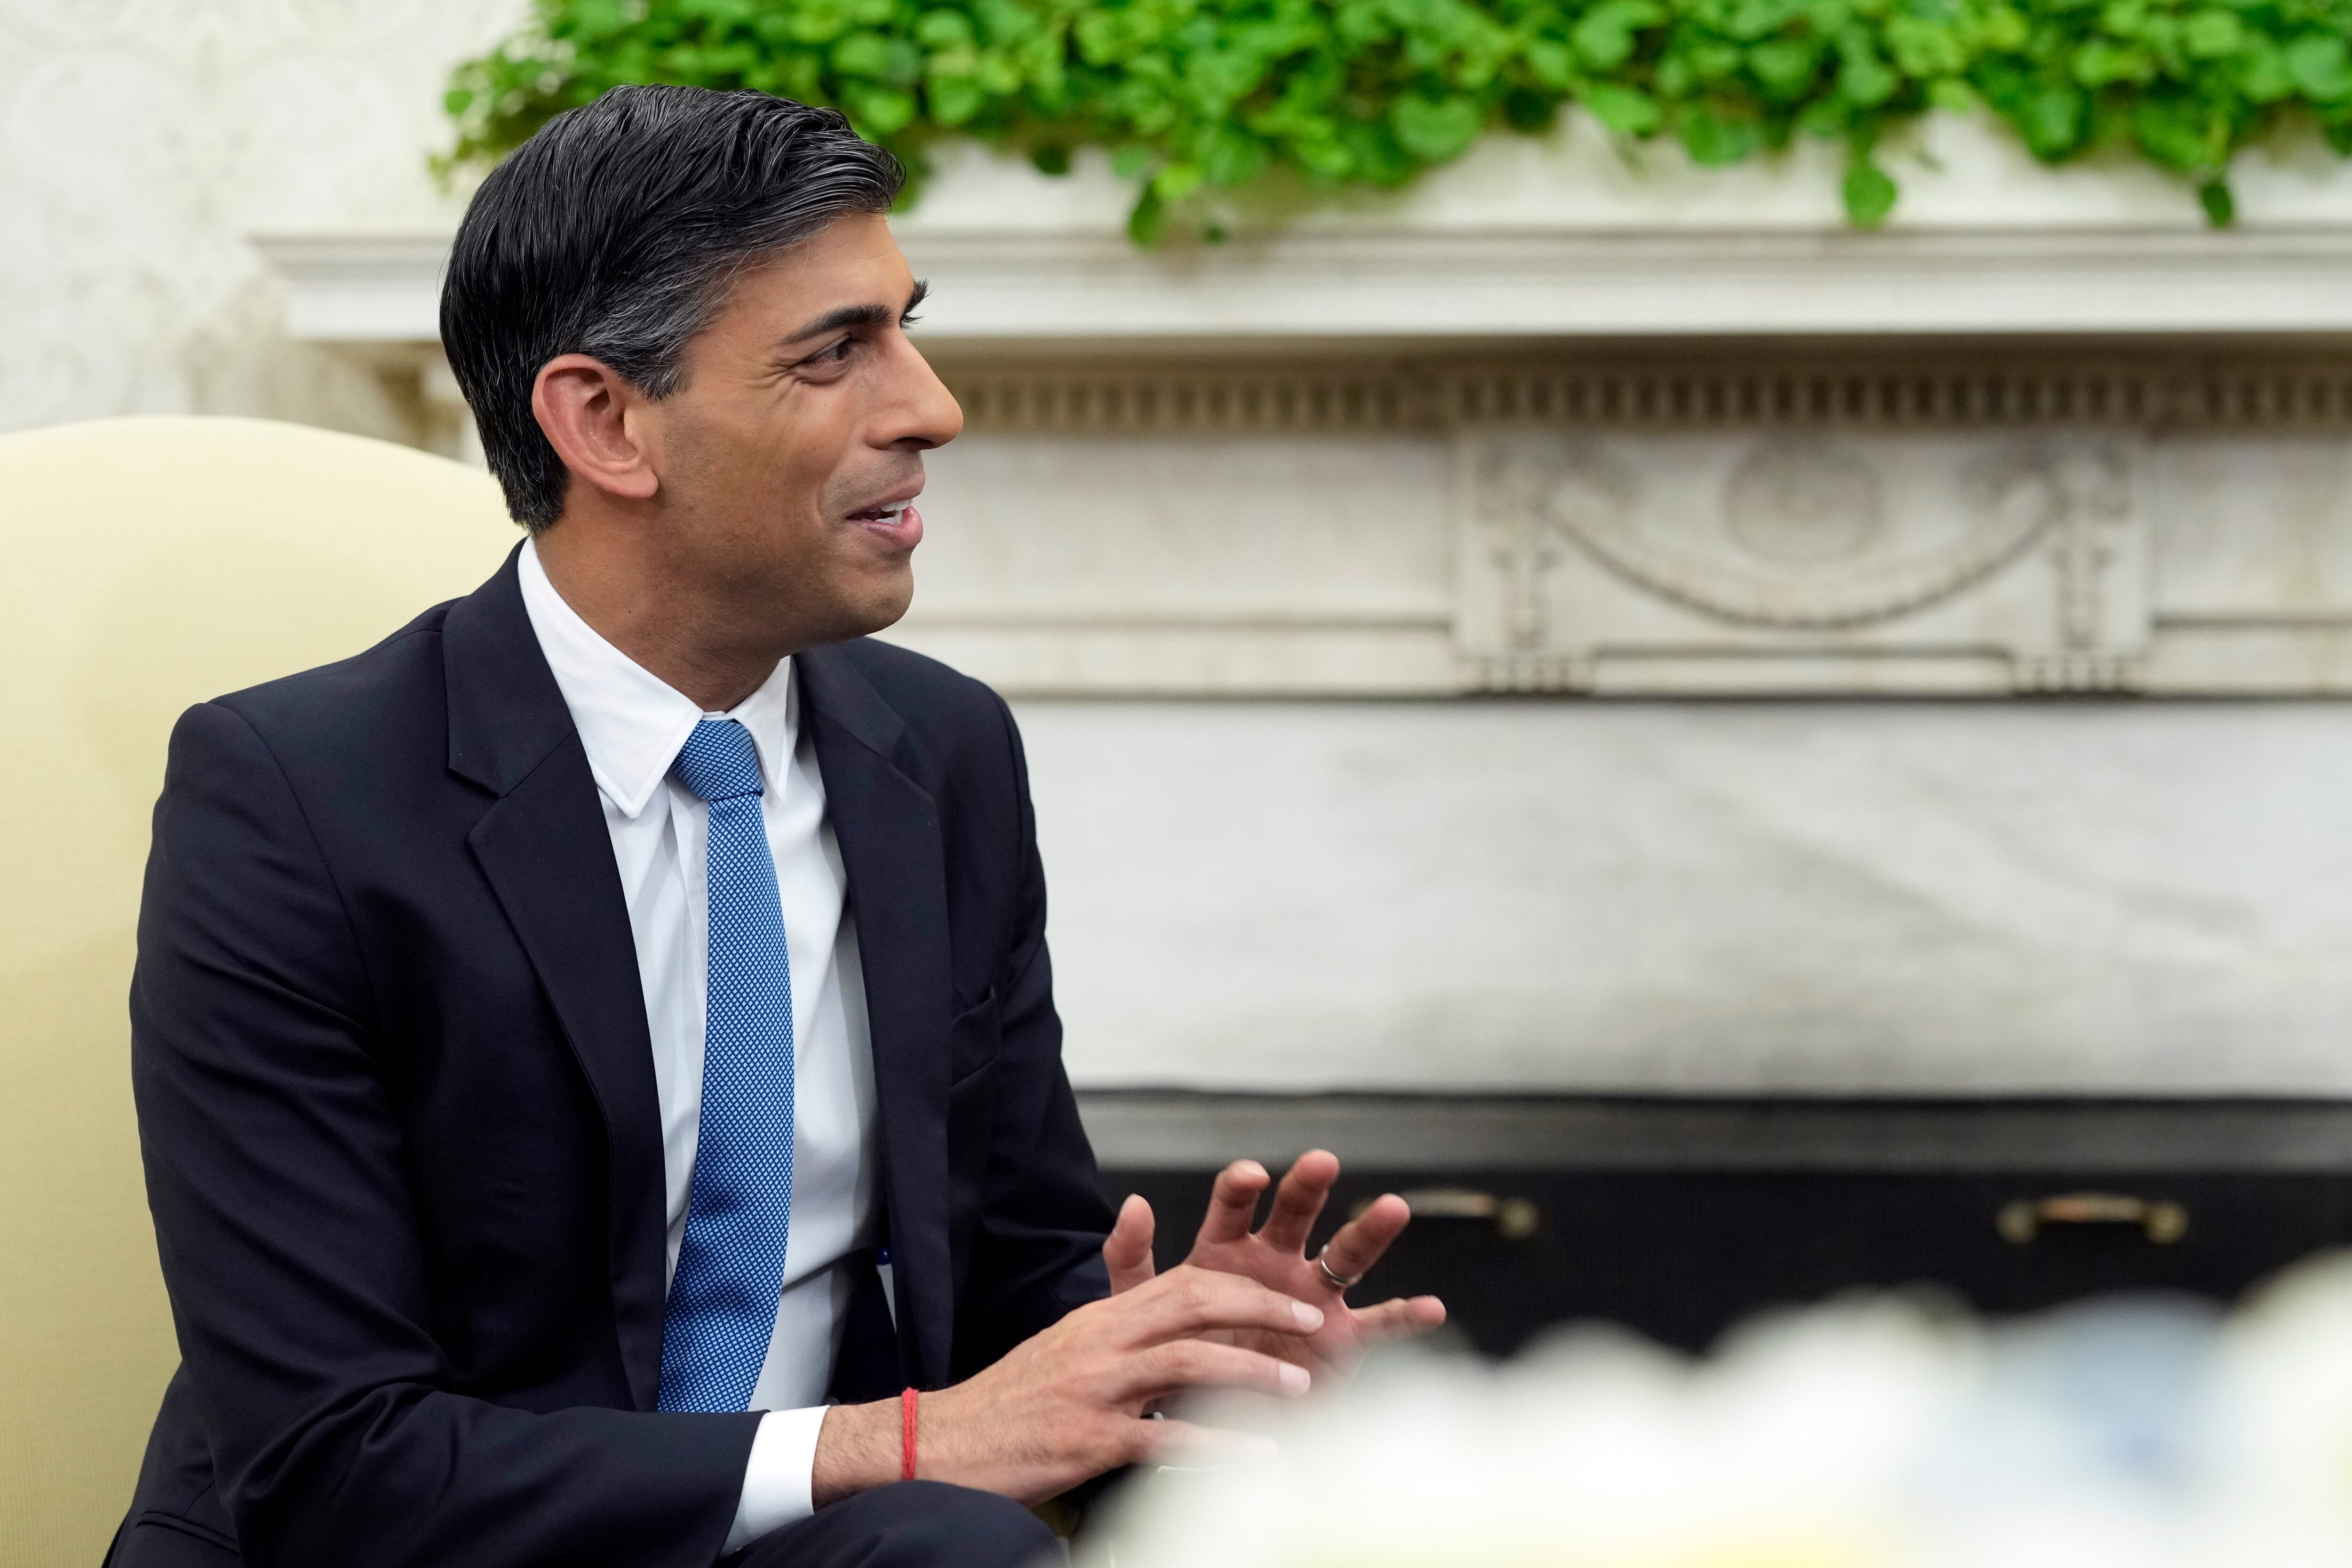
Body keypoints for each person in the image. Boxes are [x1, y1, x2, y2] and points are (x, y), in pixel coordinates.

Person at [112, 85, 1445, 1568]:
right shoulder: (291, 799)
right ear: (606, 422)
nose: (932, 408)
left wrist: (1196, 1363)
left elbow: (1011, 1280)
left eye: (907, 326)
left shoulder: (942, 753)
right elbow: (330, 1465)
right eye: (835, 356)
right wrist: (909, 1444)